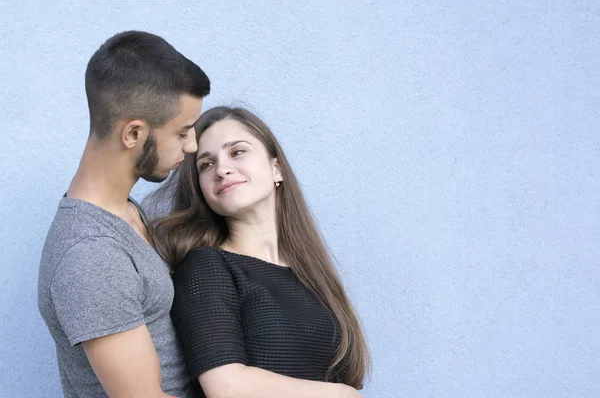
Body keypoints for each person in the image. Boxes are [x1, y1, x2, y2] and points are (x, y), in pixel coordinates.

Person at [148, 106, 370, 398]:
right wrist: (343, 395)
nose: (222, 169)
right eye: (206, 164)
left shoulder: (311, 276)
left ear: (276, 168)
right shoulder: (205, 266)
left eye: (237, 152)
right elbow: (227, 386)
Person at [37, 30, 210, 398]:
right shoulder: (89, 256)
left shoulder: (125, 211)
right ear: (133, 133)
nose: (193, 145)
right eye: (181, 133)